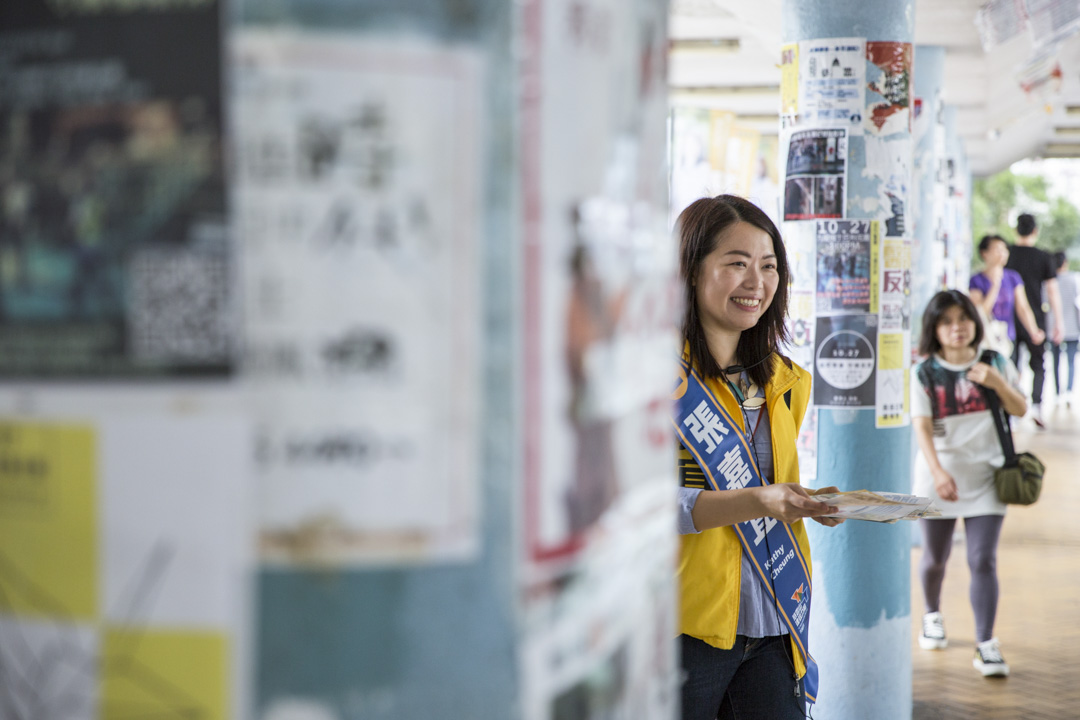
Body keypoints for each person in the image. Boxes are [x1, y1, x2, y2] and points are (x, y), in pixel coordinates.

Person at [673, 195, 843, 720]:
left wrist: (802, 501)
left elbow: (772, 485)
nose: (757, 283)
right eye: (736, 264)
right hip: (680, 627)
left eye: (768, 266)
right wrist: (759, 500)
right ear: (689, 270)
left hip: (773, 623)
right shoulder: (652, 379)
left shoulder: (786, 383)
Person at [911, 290, 1027, 678]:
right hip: (939, 477)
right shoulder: (924, 372)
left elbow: (1020, 408)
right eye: (946, 321)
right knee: (935, 558)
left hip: (988, 477)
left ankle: (986, 644)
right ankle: (931, 615)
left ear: (975, 323)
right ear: (935, 329)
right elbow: (922, 427)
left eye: (963, 319)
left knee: (982, 559)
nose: (957, 328)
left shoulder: (995, 362)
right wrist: (939, 472)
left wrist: (996, 382)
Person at [1005, 213, 1063, 428]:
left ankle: (1011, 409)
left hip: (1008, 320)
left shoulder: (1007, 254)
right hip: (1036, 320)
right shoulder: (1043, 257)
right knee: (1038, 364)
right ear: (1035, 231)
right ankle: (1037, 405)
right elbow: (1052, 291)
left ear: (1016, 230)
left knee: (1010, 364)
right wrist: (1058, 322)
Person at [968, 234, 1043, 357]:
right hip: (985, 338)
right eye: (997, 249)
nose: (1002, 253)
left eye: (1005, 250)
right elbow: (981, 312)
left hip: (1007, 337)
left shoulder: (1013, 277)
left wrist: (1033, 330)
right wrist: (994, 286)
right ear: (984, 253)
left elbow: (1023, 307)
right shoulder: (976, 280)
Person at [1046, 251, 1080, 405]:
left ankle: (1058, 392)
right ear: (1065, 262)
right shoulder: (1074, 279)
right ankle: (1068, 392)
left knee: (1056, 361)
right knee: (1071, 361)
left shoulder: (1048, 281)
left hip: (1053, 327)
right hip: (1072, 326)